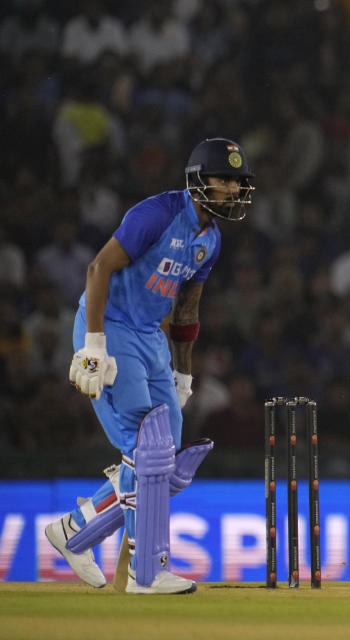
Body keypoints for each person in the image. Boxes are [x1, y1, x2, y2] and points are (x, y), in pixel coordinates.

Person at [44, 138, 254, 594]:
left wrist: (184, 373)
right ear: (198, 181)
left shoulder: (210, 241)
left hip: (150, 339)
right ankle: (147, 573)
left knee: (170, 467)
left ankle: (74, 531)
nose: (234, 190)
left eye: (238, 182)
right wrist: (93, 345)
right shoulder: (157, 214)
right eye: (225, 180)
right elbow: (98, 269)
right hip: (111, 326)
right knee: (148, 451)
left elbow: (185, 314)